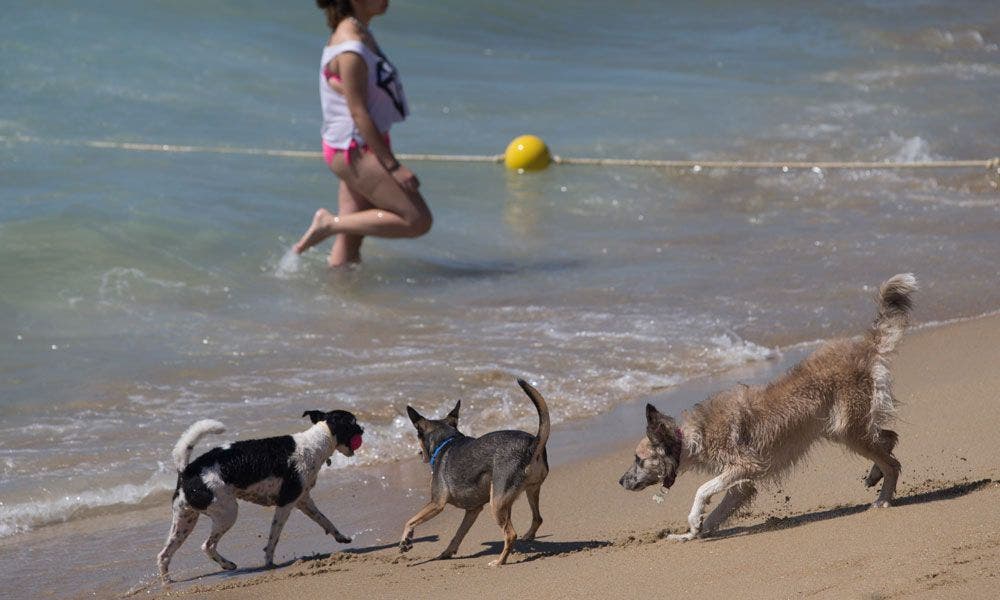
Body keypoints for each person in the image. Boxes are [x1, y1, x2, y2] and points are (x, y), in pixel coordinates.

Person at [294, 0, 432, 266]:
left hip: (363, 141)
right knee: (417, 220)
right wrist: (393, 166)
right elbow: (358, 113)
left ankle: (342, 299)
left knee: (352, 236)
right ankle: (328, 223)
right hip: (354, 148)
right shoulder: (351, 45)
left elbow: (351, 87)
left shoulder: (359, 32)